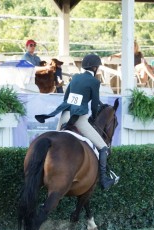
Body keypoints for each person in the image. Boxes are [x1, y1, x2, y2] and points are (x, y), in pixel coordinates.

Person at [35, 54, 117, 190]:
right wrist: (94, 117)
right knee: (103, 148)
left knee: (53, 143)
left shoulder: (75, 78)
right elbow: (94, 104)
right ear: (95, 68)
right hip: (79, 119)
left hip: (65, 115)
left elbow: (66, 99)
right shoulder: (95, 82)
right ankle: (104, 180)